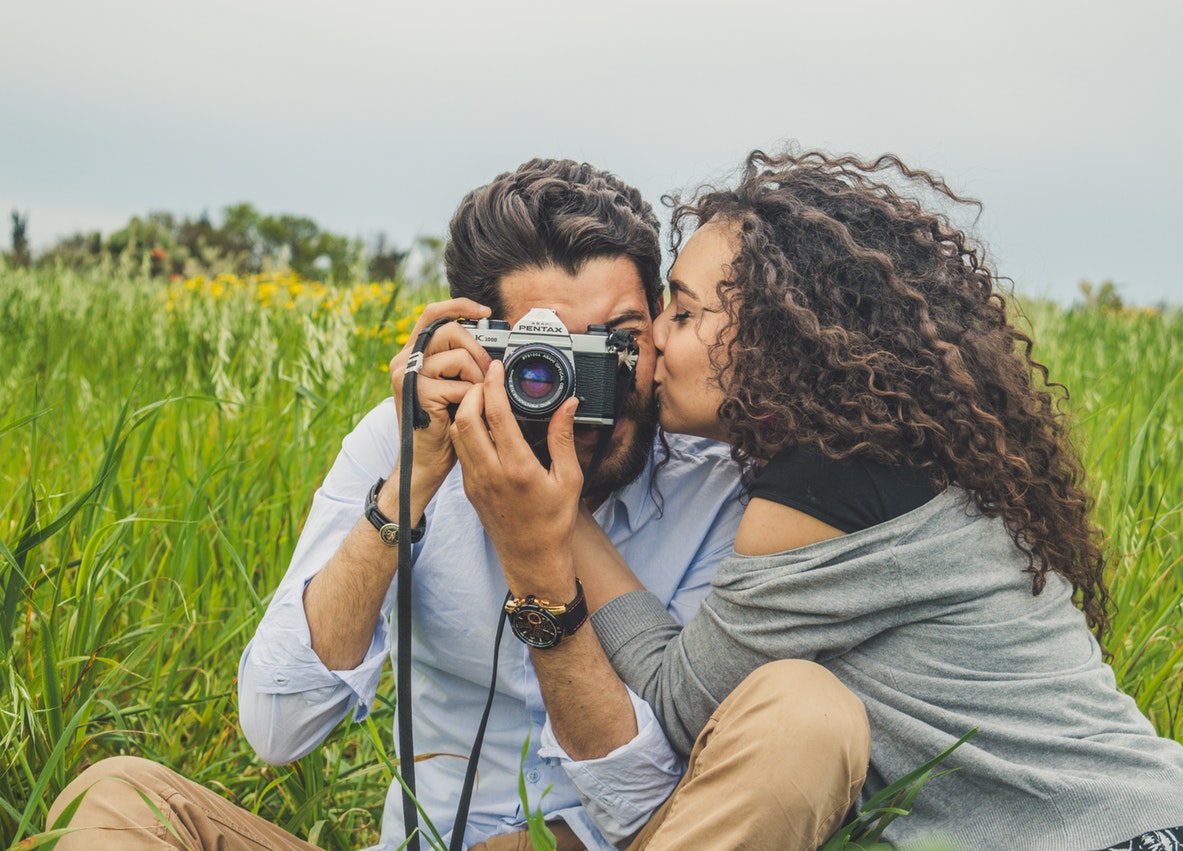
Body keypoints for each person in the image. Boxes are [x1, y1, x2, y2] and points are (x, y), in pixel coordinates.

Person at [452, 150, 1183, 850]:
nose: (655, 339)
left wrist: (555, 523)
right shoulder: (883, 457)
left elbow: (683, 700)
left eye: (685, 313)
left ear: (774, 339)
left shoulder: (825, 487)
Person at [45, 159, 745, 850]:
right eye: (545, 356)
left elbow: (659, 808)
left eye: (618, 342)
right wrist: (412, 479)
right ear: (476, 345)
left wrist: (541, 562)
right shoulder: (411, 437)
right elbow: (279, 724)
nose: (589, 394)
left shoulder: (714, 491)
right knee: (113, 799)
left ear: (661, 320)